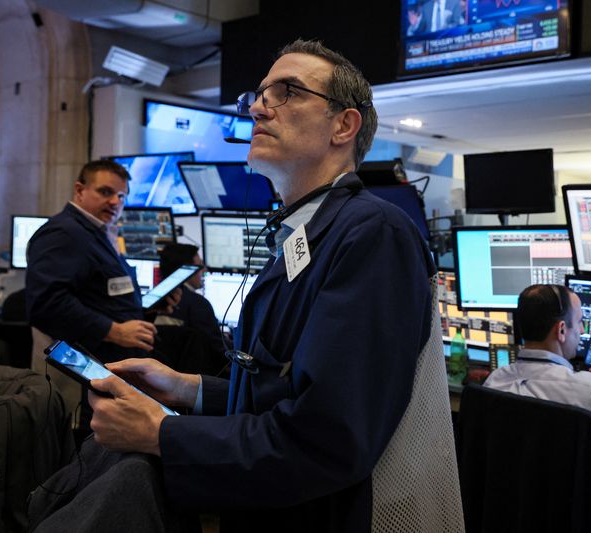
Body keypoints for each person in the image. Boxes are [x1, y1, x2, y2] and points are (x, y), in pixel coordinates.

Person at [83, 39, 463, 532]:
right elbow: (286, 395)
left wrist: (162, 435)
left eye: (287, 91)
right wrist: (189, 390)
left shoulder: (374, 234)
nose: (259, 107)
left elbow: (327, 439)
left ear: (343, 125)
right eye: (258, 95)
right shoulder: (305, 234)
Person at [483, 284, 591, 505]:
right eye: (580, 321)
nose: (582, 331)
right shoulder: (589, 392)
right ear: (561, 330)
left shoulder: (494, 383)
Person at [26, 160, 158, 363]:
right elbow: (47, 304)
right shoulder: (64, 233)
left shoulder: (96, 232)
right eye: (106, 192)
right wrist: (114, 331)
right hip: (82, 367)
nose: (116, 202)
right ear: (80, 190)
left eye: (121, 196)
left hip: (107, 362)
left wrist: (150, 306)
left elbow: (103, 294)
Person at [156, 242, 229, 351]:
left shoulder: (152, 302)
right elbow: (218, 349)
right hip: (191, 367)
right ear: (187, 270)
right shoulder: (198, 304)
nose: (204, 270)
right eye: (200, 266)